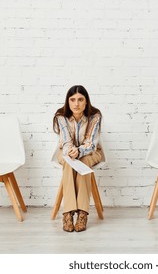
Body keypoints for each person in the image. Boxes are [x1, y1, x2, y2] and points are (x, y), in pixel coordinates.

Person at [52, 85, 103, 232]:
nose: (76, 104)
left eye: (80, 100)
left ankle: (82, 214)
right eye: (73, 100)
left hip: (90, 152)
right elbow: (66, 141)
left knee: (84, 162)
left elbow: (91, 143)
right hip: (66, 153)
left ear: (86, 102)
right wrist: (71, 152)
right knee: (69, 164)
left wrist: (79, 151)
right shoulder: (60, 117)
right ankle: (68, 214)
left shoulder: (95, 116)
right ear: (68, 102)